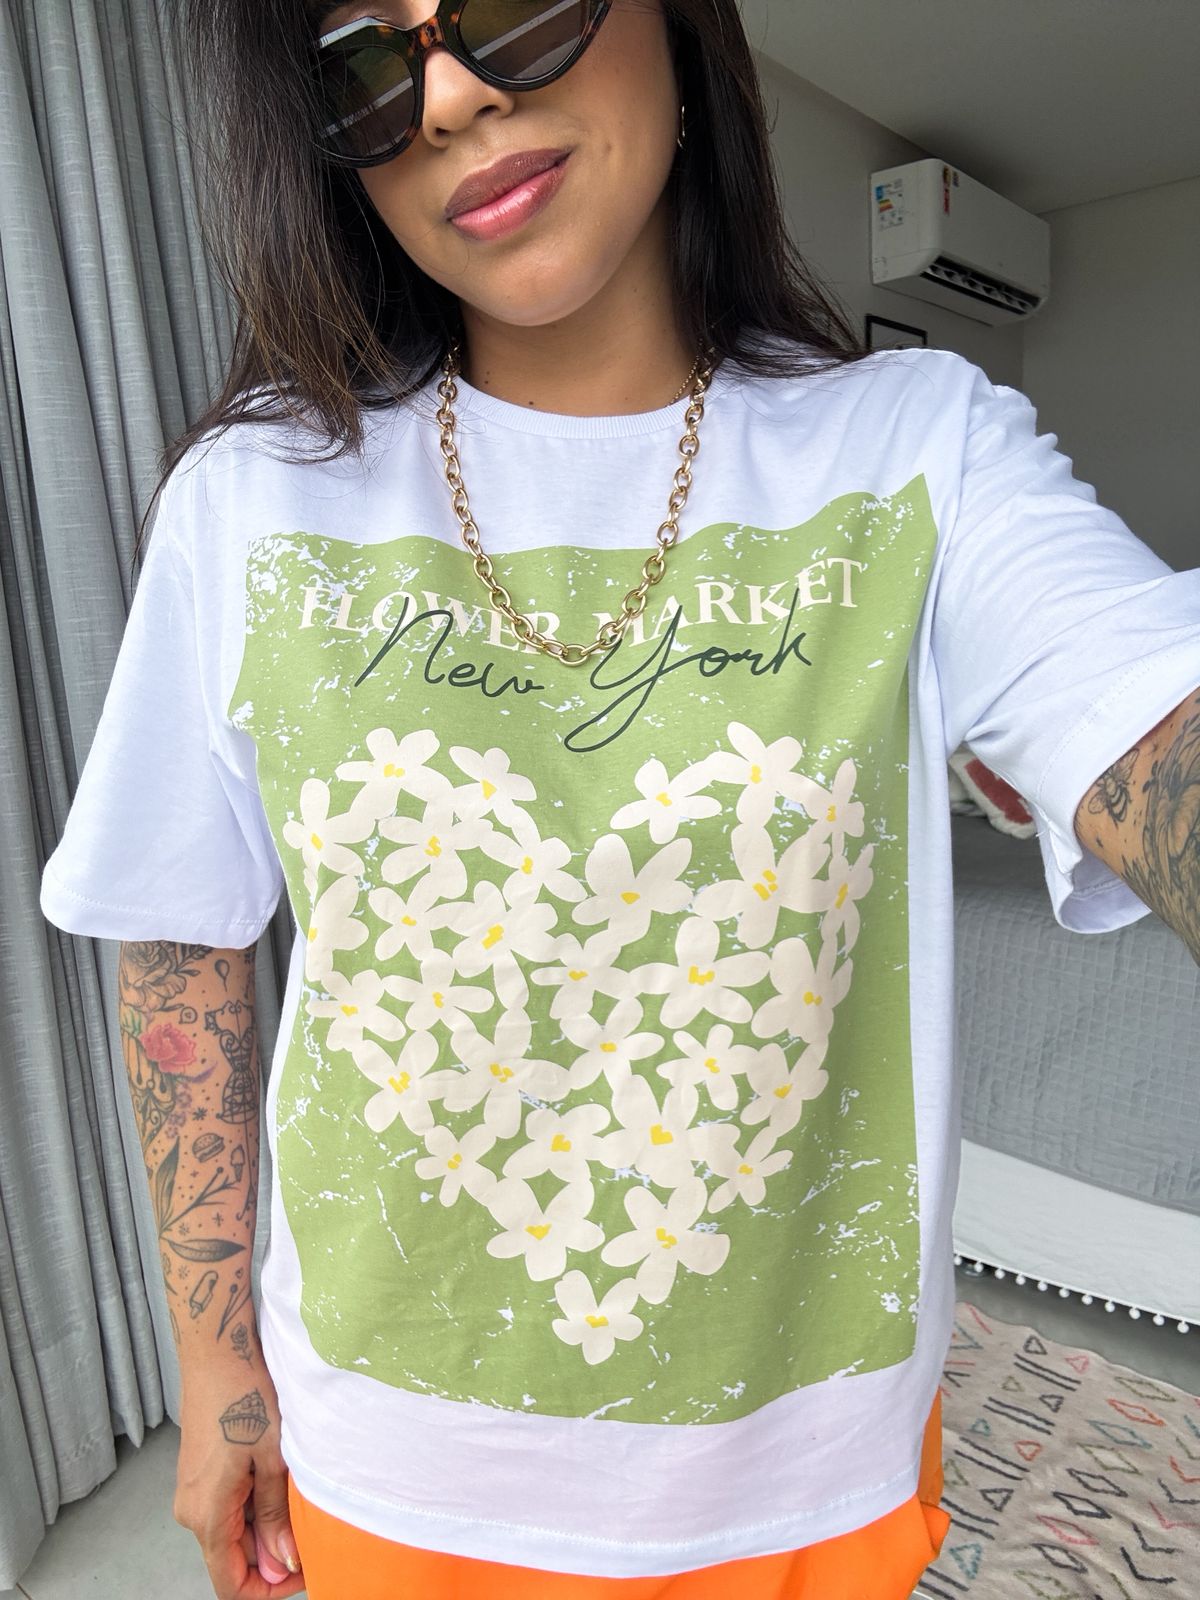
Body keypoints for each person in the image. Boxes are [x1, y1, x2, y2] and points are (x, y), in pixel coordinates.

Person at [37, 1, 1200, 1596]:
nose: (450, 96)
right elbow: (179, 943)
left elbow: (1141, 703)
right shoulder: (251, 502)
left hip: (803, 1481)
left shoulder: (920, 456)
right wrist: (219, 1370)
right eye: (366, 68)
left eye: (511, 12)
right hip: (388, 1461)